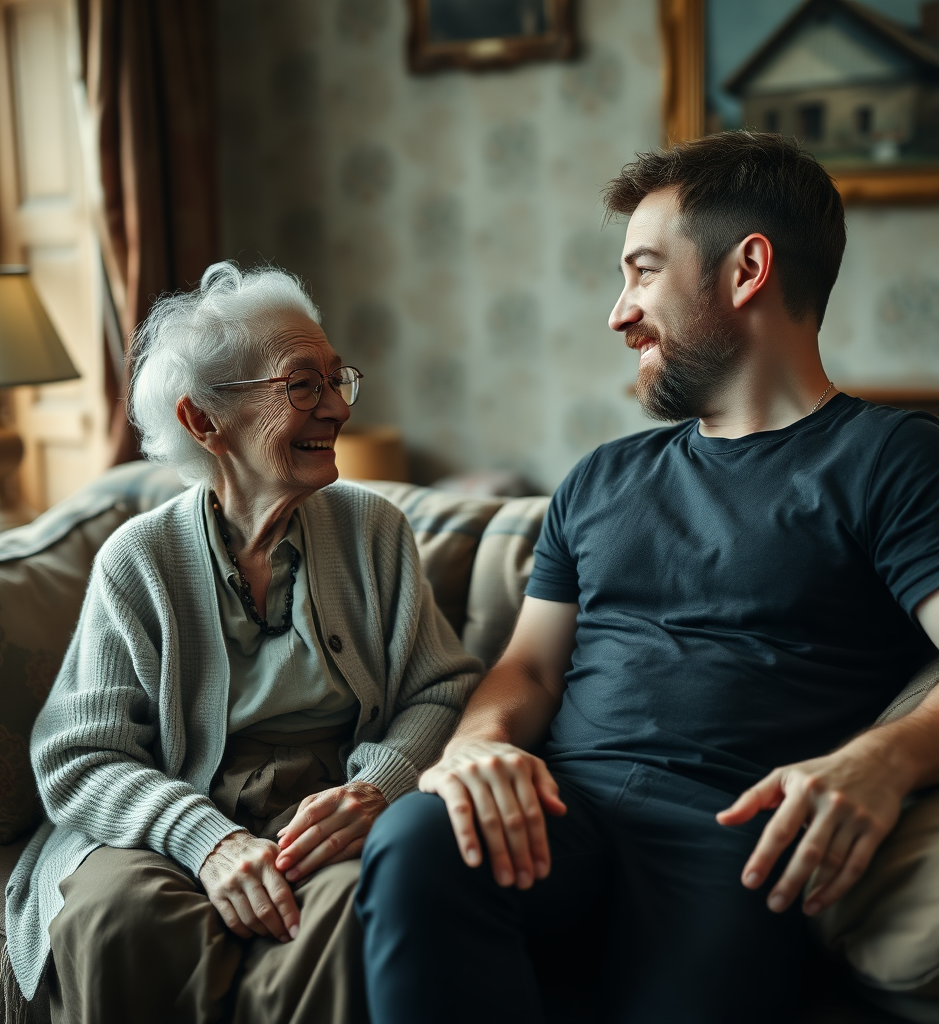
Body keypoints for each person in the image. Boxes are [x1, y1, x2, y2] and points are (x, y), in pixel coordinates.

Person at [355, 131, 939, 1024]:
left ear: (747, 271)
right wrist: (481, 744)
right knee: (419, 839)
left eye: (643, 272)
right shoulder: (599, 477)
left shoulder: (892, 459)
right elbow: (531, 670)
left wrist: (883, 760)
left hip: (732, 843)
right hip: (557, 814)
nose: (618, 313)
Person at [2, 263, 481, 1024]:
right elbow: (78, 756)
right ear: (203, 421)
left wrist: (377, 788)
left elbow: (442, 691)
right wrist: (205, 840)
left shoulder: (373, 531)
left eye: (337, 379)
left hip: (325, 808)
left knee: (356, 909)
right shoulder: (141, 558)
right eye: (302, 386)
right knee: (117, 918)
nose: (336, 409)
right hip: (170, 809)